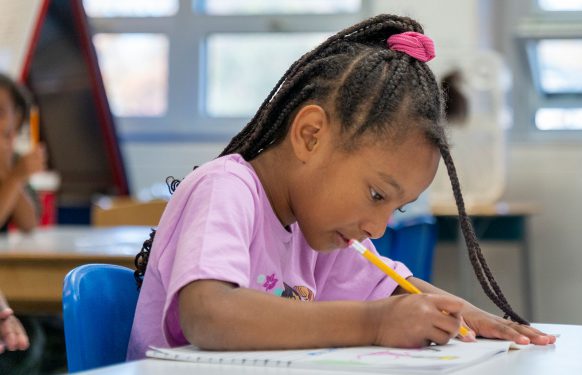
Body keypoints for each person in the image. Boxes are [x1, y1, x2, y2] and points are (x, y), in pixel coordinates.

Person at [127, 14, 556, 360]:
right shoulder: (226, 189)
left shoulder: (318, 227)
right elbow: (208, 315)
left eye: (397, 208)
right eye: (376, 195)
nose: (379, 227)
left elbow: (394, 288)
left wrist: (472, 316)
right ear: (311, 136)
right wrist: (374, 323)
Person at [0, 73, 45, 233]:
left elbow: (29, 224)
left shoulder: (15, 161)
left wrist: (10, 172)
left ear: (17, 119)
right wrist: (14, 177)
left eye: (0, 113)